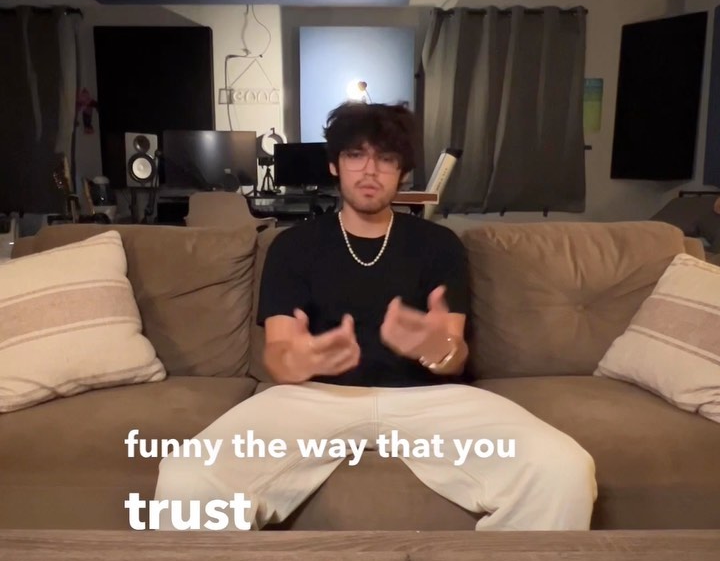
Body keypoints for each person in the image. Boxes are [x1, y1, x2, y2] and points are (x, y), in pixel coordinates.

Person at [154, 102, 596, 530]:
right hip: (315, 397)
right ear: (334, 165)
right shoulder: (292, 247)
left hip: (428, 398)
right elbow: (279, 353)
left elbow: (453, 353)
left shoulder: (439, 245)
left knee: (563, 469)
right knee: (187, 476)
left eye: (386, 159)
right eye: (355, 155)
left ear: (402, 171)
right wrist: (301, 361)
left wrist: (437, 349)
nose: (370, 170)